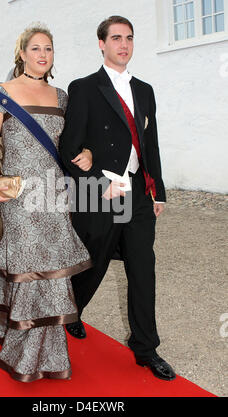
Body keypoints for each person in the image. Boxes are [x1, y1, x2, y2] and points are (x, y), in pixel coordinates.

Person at [0, 24, 92, 382]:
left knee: (51, 274)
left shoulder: (62, 97)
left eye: (48, 49)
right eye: (35, 48)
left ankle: (49, 355)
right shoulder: (1, 95)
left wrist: (88, 153)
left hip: (53, 195)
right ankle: (24, 351)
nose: (42, 55)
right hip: (18, 196)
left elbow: (71, 144)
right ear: (21, 53)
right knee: (27, 269)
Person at [59, 16, 176, 381]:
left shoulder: (145, 90)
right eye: (115, 38)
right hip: (103, 191)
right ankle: (71, 309)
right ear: (102, 44)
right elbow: (69, 147)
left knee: (143, 267)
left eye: (129, 38)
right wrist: (95, 181)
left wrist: (158, 191)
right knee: (93, 261)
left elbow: (150, 144)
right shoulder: (84, 88)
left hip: (138, 192)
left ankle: (146, 347)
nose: (123, 45)